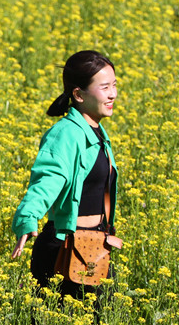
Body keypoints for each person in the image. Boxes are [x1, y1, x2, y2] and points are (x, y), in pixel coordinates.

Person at [11, 51, 119, 302]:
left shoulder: (97, 132)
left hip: (94, 246)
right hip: (63, 249)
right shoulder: (66, 134)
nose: (113, 94)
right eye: (105, 87)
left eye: (114, 85)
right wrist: (28, 217)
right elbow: (47, 180)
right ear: (79, 95)